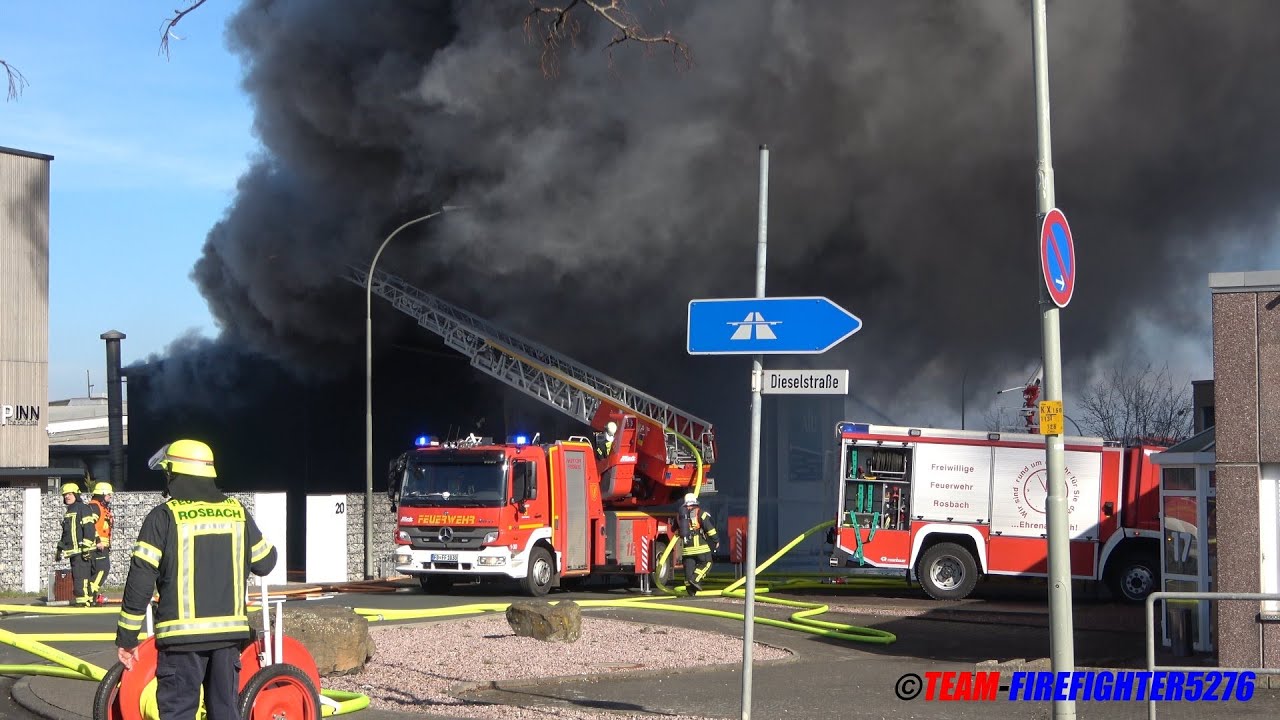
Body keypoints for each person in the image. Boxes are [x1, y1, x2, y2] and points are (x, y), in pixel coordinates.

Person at [115, 439, 278, 720]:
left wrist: (128, 638)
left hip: (181, 643)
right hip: (228, 640)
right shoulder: (237, 513)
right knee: (225, 712)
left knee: (178, 712)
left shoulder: (163, 517)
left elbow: (140, 580)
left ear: (175, 475)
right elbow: (266, 563)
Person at [56, 481, 99, 608]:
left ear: (76, 495)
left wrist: (86, 548)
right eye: (65, 495)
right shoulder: (69, 512)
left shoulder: (83, 509)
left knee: (81, 578)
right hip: (75, 552)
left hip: (82, 552)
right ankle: (84, 602)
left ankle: (84, 604)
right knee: (78, 577)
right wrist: (59, 549)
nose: (67, 497)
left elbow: (89, 529)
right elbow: (66, 533)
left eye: (69, 494)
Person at [677, 493, 719, 593]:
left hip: (687, 549)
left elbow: (675, 529)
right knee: (707, 563)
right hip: (700, 547)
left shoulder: (680, 515)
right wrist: (715, 540)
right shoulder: (700, 513)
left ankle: (690, 591)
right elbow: (710, 529)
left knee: (689, 569)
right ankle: (695, 579)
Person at [87, 481, 114, 606]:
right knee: (102, 570)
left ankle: (91, 595)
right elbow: (90, 525)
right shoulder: (94, 506)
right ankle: (90, 594)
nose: (110, 497)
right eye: (109, 495)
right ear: (102, 494)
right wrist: (98, 541)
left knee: (99, 571)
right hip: (97, 547)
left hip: (102, 547)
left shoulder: (102, 507)